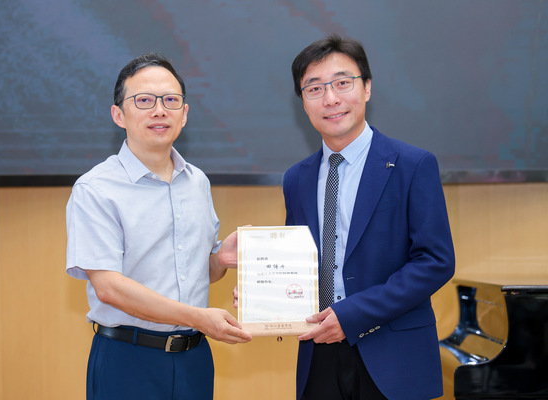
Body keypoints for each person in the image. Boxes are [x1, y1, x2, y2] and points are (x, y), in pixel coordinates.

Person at [65, 53, 252, 400]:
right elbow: (109, 288)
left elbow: (195, 275)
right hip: (128, 360)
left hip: (195, 358)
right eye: (144, 101)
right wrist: (198, 317)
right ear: (118, 114)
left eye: (170, 100)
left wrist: (219, 260)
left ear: (185, 113)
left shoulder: (197, 182)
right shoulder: (95, 189)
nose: (159, 110)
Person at [284, 34, 455, 399]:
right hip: (319, 356)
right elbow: (295, 264)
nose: (330, 99)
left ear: (366, 88)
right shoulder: (296, 179)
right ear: (303, 101)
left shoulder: (413, 165)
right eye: (314, 88)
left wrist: (353, 315)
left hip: (394, 357)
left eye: (342, 83)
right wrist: (265, 292)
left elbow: (435, 261)